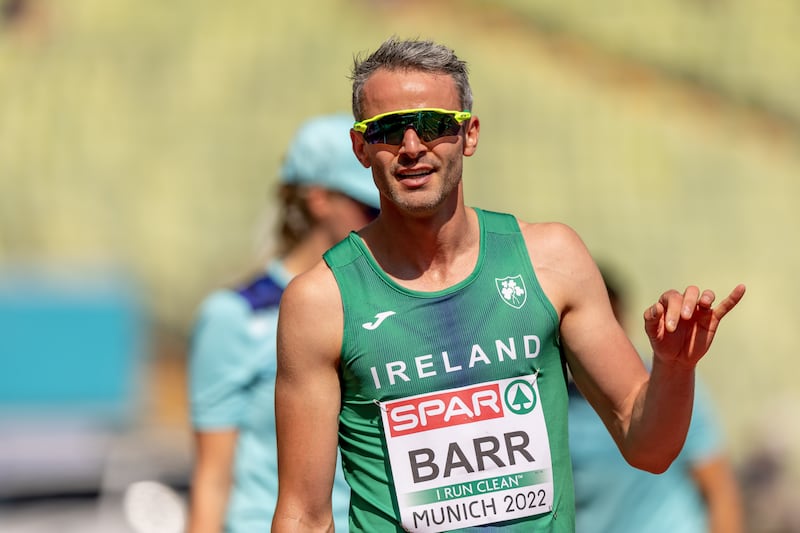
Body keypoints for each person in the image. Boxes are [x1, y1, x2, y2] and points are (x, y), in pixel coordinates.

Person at [272, 37, 746, 532]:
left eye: (433, 125)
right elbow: (303, 515)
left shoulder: (551, 260)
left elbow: (649, 447)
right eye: (388, 130)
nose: (412, 148)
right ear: (361, 147)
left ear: (469, 134)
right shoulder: (321, 301)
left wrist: (674, 367)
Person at [187, 113, 380, 533]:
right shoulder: (235, 317)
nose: (386, 217)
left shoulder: (392, 307)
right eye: (370, 204)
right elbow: (211, 484)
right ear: (319, 199)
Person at [568, 264, 743, 533]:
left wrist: (676, 368)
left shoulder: (671, 384)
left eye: (606, 323)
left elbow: (719, 490)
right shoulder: (555, 403)